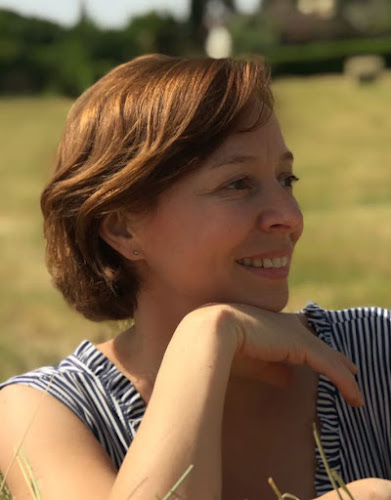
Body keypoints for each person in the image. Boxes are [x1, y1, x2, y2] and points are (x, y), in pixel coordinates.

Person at [0, 54, 390, 500]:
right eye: (237, 184)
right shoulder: (46, 412)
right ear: (122, 227)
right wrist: (207, 335)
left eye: (287, 178)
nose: (289, 216)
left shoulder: (375, 352)